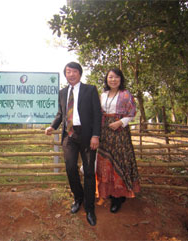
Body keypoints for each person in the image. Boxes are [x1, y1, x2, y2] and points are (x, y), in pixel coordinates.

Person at [45, 62, 102, 226]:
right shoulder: (62, 92)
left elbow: (97, 115)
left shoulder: (90, 90)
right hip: (69, 136)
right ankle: (79, 198)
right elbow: (61, 113)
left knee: (89, 171)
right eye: (68, 72)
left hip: (87, 136)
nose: (71, 74)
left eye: (74, 71)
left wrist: (96, 135)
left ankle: (90, 209)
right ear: (65, 74)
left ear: (80, 73)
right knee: (70, 168)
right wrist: (52, 126)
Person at [96, 68, 140, 213]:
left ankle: (118, 196)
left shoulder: (126, 94)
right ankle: (109, 191)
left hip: (120, 132)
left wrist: (120, 122)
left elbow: (132, 113)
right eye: (110, 77)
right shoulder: (103, 95)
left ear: (120, 79)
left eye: (116, 77)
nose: (113, 80)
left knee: (119, 160)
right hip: (105, 132)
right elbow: (98, 112)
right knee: (105, 161)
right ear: (106, 79)